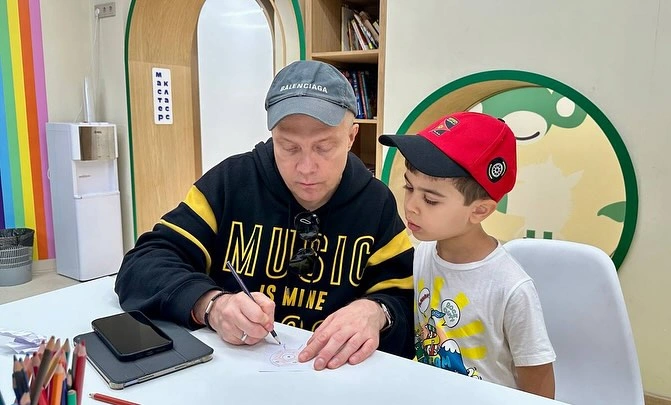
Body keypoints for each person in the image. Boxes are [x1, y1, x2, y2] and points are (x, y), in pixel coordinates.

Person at [115, 60, 414, 370]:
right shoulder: (229, 184)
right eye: (288, 147)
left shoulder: (375, 203)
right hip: (229, 370)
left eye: (324, 147)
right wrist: (211, 304)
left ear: (351, 137)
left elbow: (406, 299)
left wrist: (376, 312)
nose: (306, 168)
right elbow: (143, 264)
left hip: (334, 377)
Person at [379, 112, 556, 398]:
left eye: (430, 199)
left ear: (479, 210)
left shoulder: (511, 288)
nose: (411, 205)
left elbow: (538, 375)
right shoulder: (421, 255)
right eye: (409, 187)